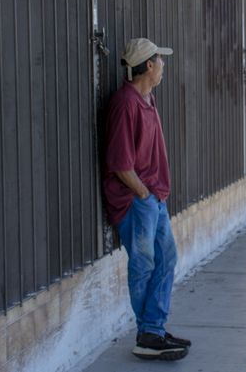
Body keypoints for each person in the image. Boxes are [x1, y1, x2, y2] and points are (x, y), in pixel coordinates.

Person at [103, 38, 191, 361]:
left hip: (153, 197)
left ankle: (153, 328)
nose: (164, 65)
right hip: (136, 199)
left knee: (166, 258)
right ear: (149, 66)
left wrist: (152, 195)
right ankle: (148, 334)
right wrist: (142, 194)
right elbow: (120, 164)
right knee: (143, 265)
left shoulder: (147, 98)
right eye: (160, 60)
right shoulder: (125, 104)